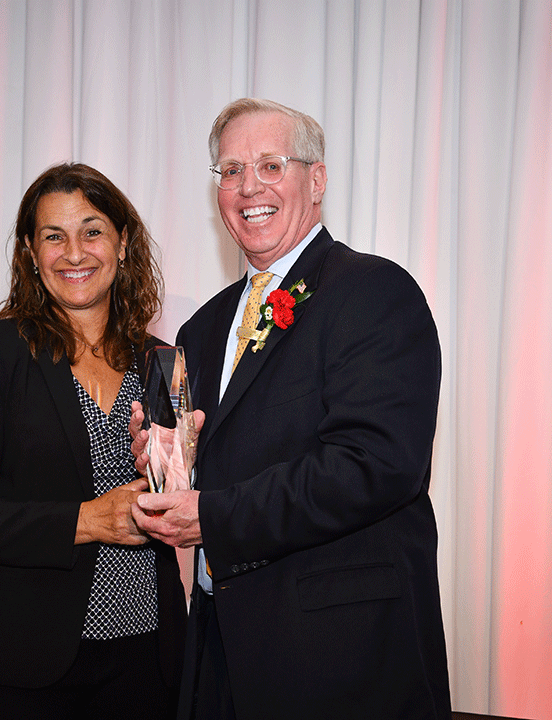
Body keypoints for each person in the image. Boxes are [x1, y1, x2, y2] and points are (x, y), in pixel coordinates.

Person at [130, 99, 451, 719]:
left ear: (317, 180)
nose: (249, 186)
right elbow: (201, 469)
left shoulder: (374, 292)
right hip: (220, 655)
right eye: (230, 171)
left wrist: (215, 517)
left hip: (339, 661)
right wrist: (164, 465)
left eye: (271, 165)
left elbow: (377, 466)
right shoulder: (199, 331)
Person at [0, 163, 187, 719]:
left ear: (123, 242)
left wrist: (187, 478)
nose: (74, 253)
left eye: (92, 231)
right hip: (8, 665)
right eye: (53, 236)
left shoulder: (163, 362)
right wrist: (87, 520)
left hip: (143, 662)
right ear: (29, 252)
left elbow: (180, 500)